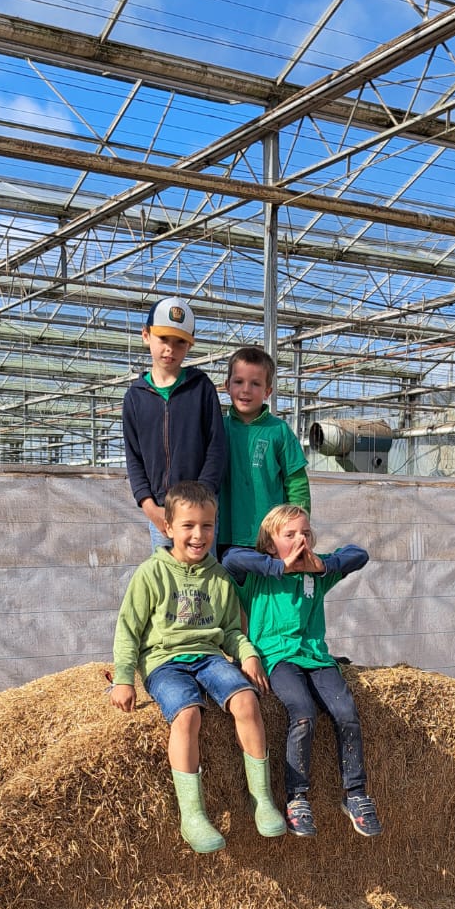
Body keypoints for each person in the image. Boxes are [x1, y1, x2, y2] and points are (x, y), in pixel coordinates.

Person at [109, 481, 286, 854]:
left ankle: (262, 798)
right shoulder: (150, 574)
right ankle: (192, 814)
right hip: (164, 661)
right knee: (187, 715)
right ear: (168, 527)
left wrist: (248, 654)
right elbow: (128, 630)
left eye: (207, 525)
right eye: (188, 525)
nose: (198, 534)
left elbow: (233, 632)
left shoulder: (220, 578)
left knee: (247, 701)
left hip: (208, 656)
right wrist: (124, 679)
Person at [223, 505, 381, 840]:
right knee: (304, 712)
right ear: (270, 544)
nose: (301, 540)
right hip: (277, 658)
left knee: (346, 713)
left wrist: (322, 565)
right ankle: (297, 799)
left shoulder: (316, 572)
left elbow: (360, 554)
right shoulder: (258, 574)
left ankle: (355, 794)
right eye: (290, 534)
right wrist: (278, 566)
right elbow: (230, 559)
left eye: (306, 533)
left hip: (317, 658)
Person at [122, 297, 226, 550]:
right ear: (146, 335)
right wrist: (149, 506)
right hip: (162, 511)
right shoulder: (135, 397)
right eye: (163, 339)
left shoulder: (201, 388)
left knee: (204, 576)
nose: (170, 348)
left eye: (180, 342)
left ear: (190, 345)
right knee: (166, 580)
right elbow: (133, 458)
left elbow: (216, 446)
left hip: (200, 511)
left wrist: (203, 497)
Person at [217, 345, 310, 552]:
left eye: (255, 384)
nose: (246, 390)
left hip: (269, 539)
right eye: (238, 382)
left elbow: (296, 483)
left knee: (268, 584)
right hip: (223, 533)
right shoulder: (218, 428)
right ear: (226, 385)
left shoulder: (279, 431)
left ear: (268, 391)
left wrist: (298, 529)